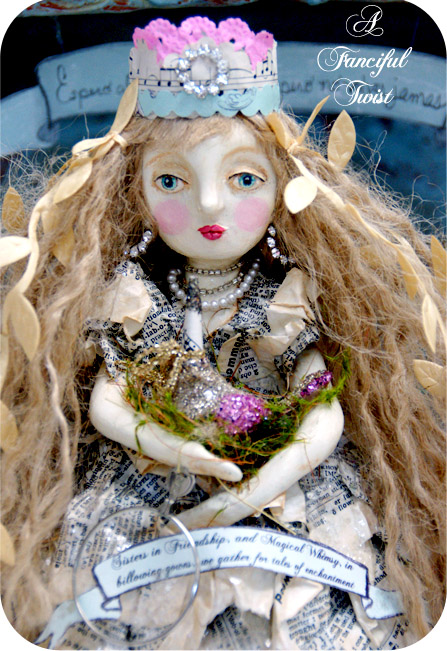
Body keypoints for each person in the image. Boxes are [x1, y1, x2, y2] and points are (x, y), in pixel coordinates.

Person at [1, 15, 445, 649]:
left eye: (243, 179)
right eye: (172, 181)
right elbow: (107, 404)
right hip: (145, 486)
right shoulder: (137, 301)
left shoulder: (279, 302)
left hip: (281, 490)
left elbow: (324, 418)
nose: (210, 204)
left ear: (283, 189)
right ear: (136, 194)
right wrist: (179, 451)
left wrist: (241, 499)